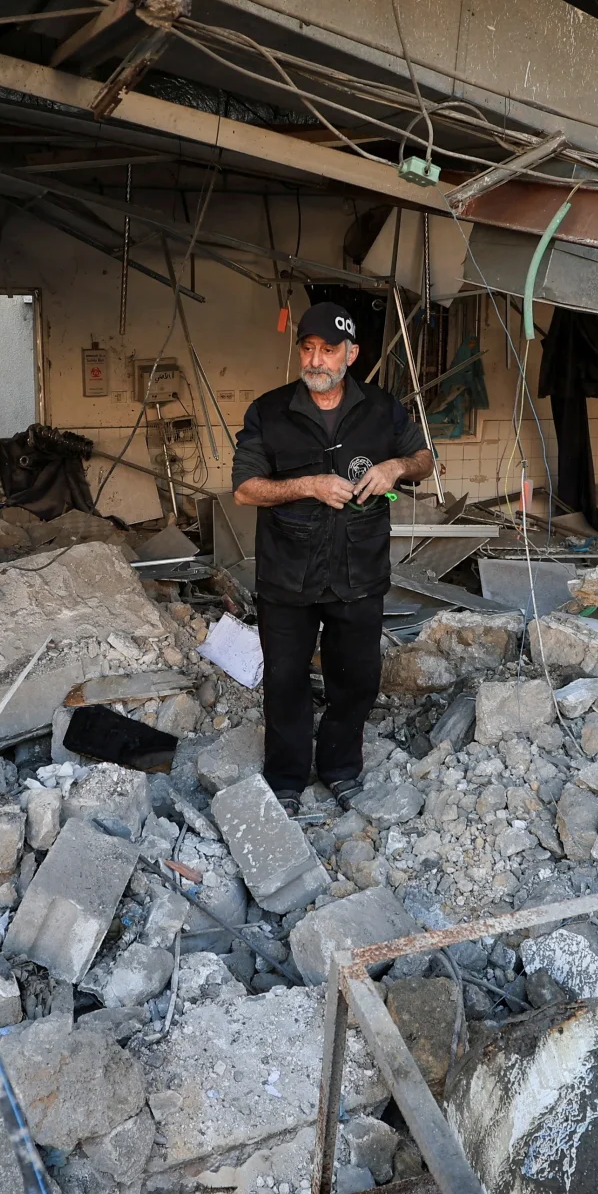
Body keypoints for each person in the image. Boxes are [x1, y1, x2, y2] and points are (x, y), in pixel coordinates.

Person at [231, 301, 433, 812]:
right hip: (287, 574)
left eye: (327, 350)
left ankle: (341, 768)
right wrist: (308, 485)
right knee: (285, 680)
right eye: (308, 349)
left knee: (356, 679)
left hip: (358, 571)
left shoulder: (382, 408)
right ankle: (286, 778)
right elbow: (245, 490)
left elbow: (425, 459)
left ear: (351, 354)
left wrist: (395, 467)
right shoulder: (269, 411)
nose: (316, 360)